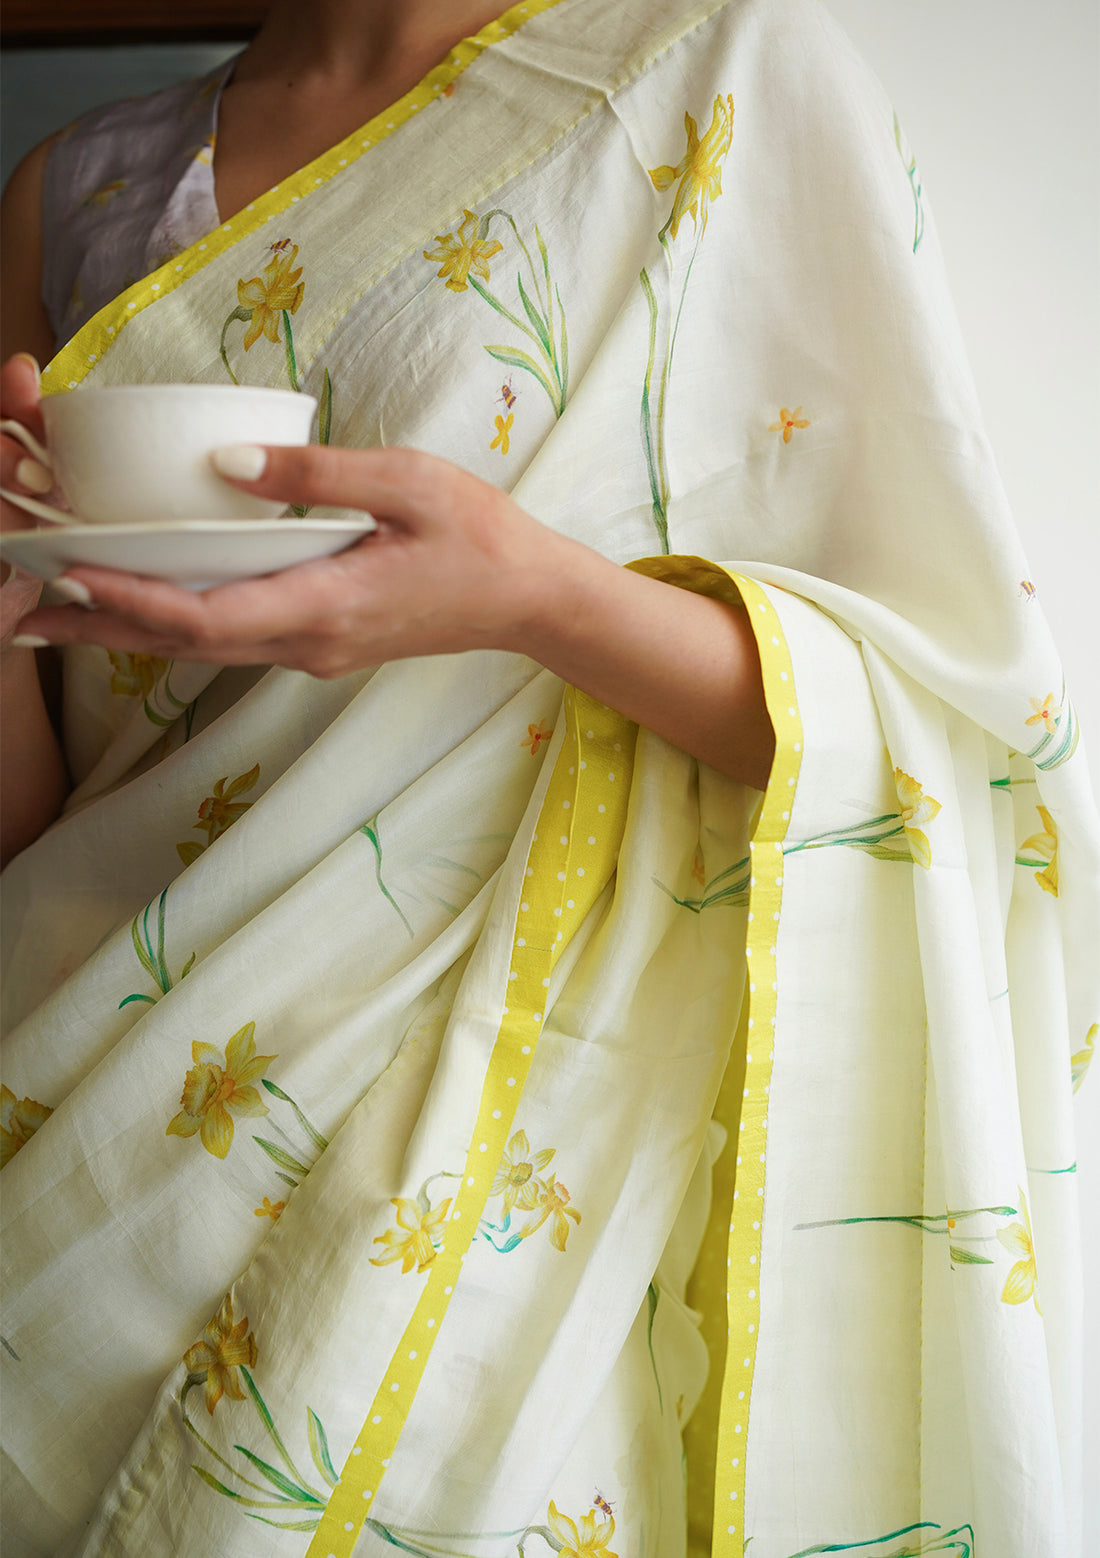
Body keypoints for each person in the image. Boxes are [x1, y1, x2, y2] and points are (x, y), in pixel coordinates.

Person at [0, 1, 1095, 1554]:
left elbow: (954, 725)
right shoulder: (75, 189)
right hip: (71, 1142)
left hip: (481, 1200)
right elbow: (32, 819)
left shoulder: (716, 76)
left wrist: (535, 595)